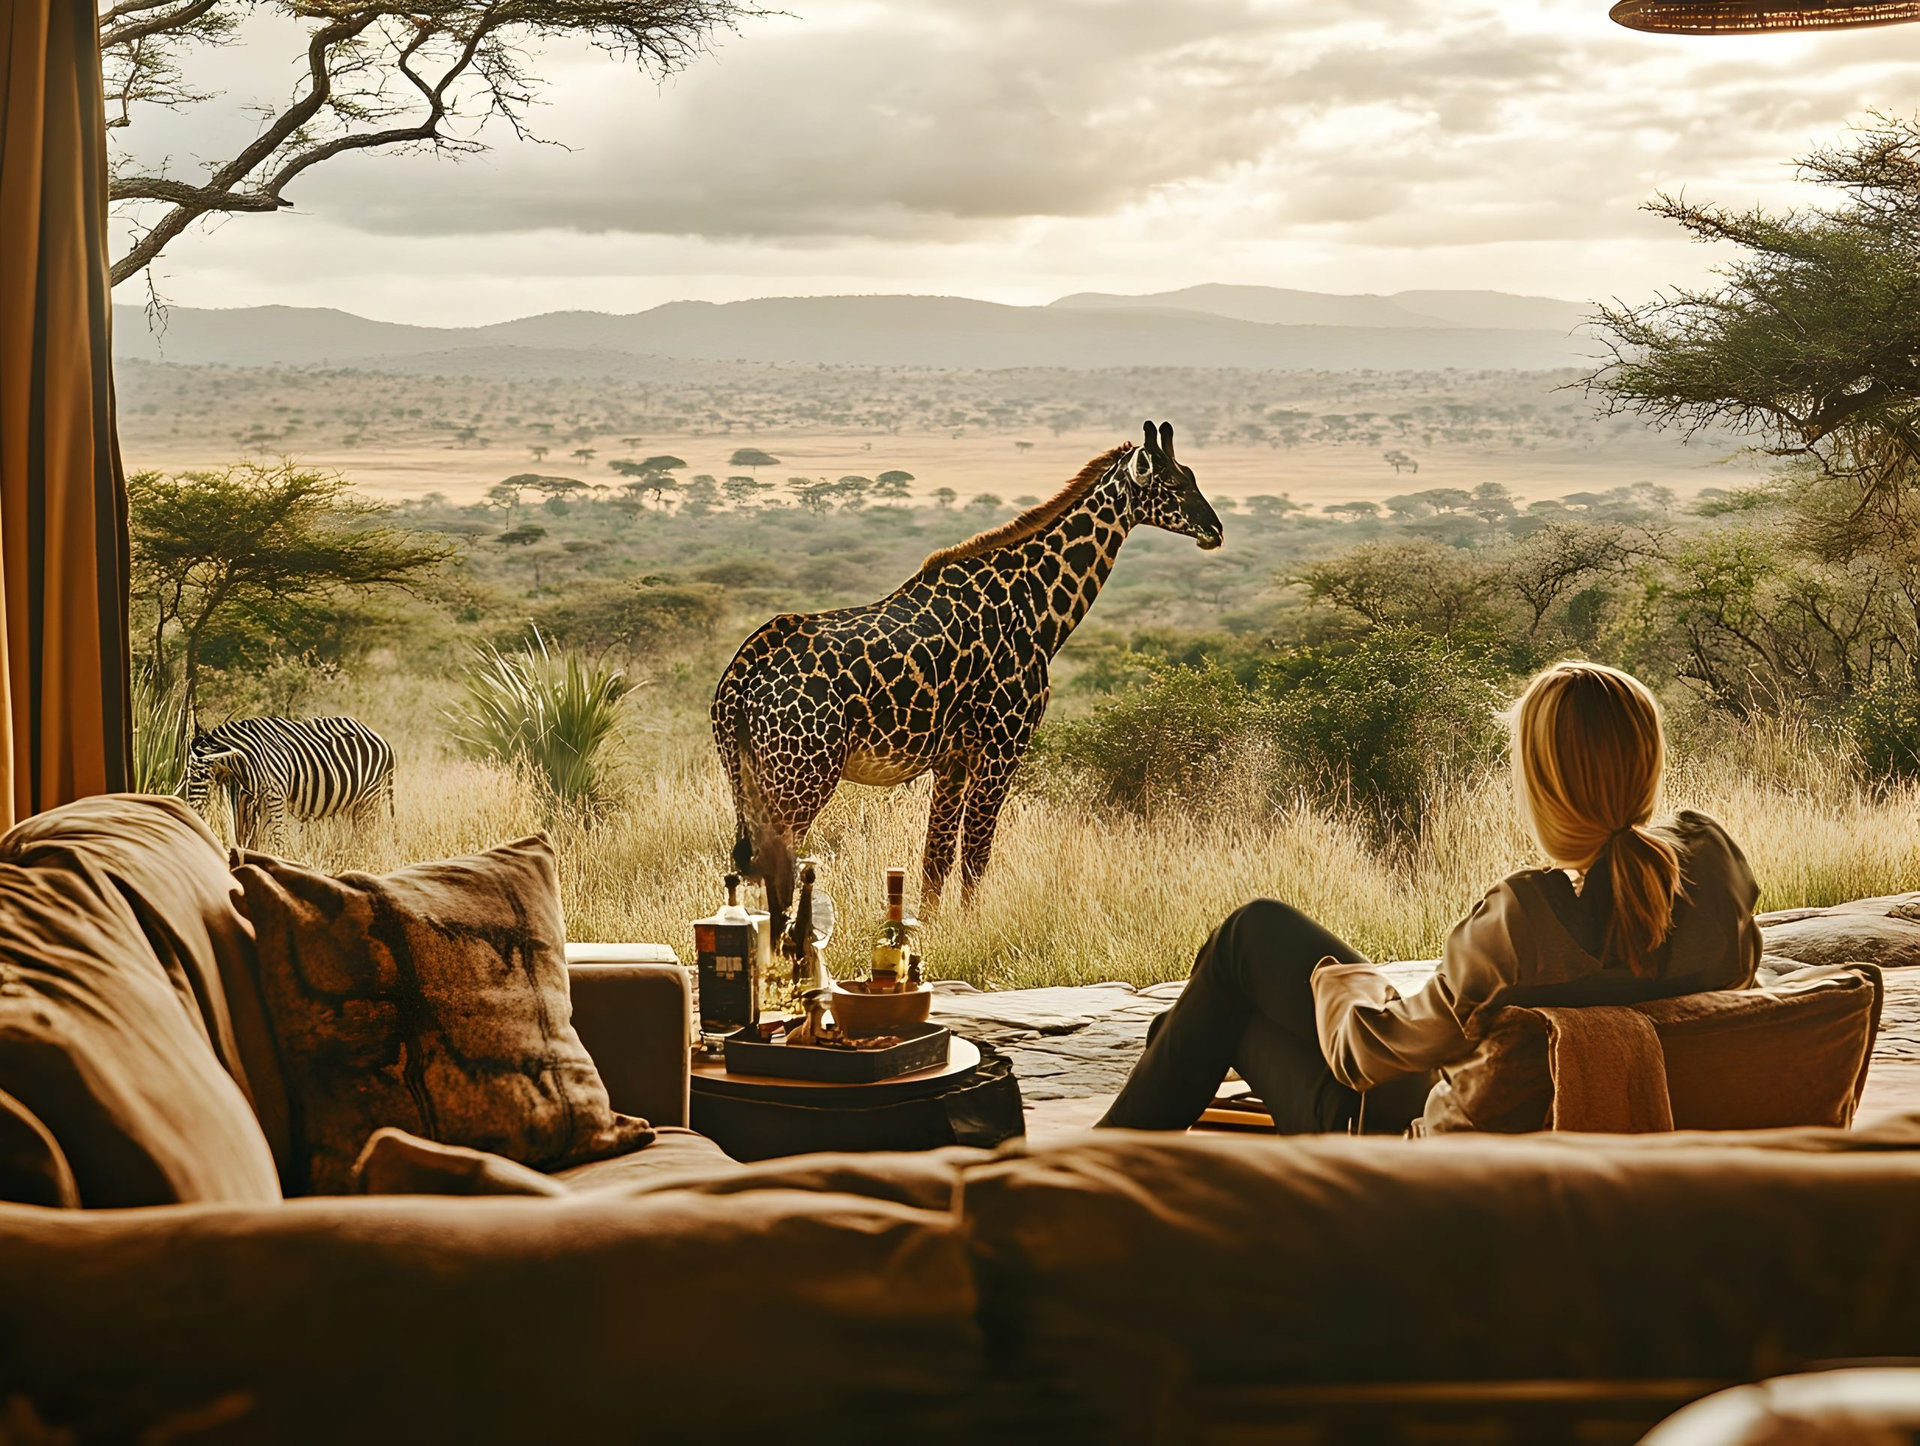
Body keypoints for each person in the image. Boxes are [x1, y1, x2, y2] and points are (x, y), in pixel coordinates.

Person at [1097, 661, 1762, 1136]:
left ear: (1543, 782)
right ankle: (1136, 1124)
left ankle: (1092, 1179)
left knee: (1246, 947)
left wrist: (1345, 985)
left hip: (1426, 1156)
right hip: (1557, 1104)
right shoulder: (1714, 864)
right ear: (1648, 759)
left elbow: (1360, 1059)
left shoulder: (1522, 920)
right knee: (1198, 1021)